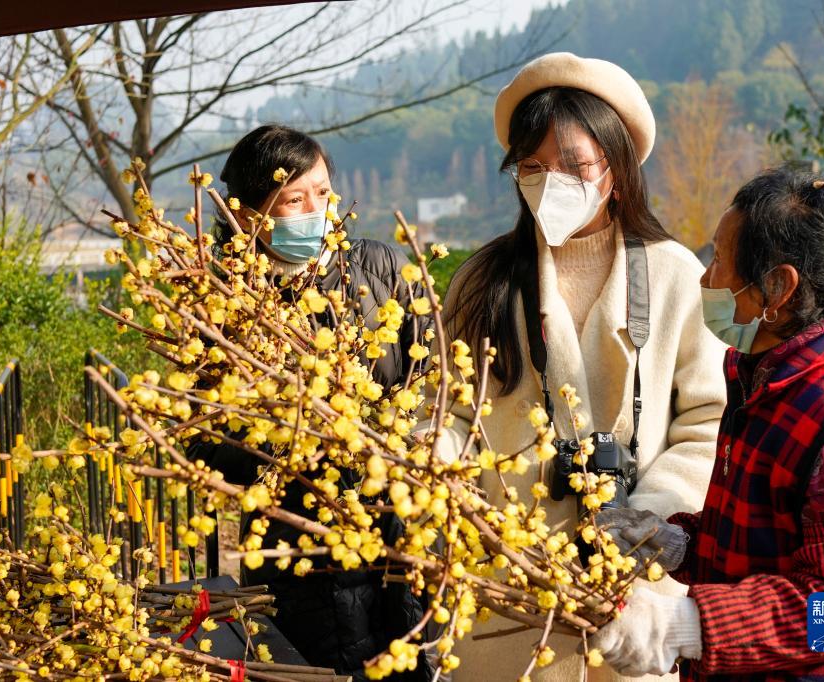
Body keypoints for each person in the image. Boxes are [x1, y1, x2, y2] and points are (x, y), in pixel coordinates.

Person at [436, 53, 728, 681]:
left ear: (617, 169)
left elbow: (708, 421)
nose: (551, 183)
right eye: (533, 167)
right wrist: (433, 465)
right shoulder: (482, 281)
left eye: (574, 166)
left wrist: (649, 516)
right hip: (510, 586)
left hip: (635, 595)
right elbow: (452, 411)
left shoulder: (676, 275)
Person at [593, 166, 824, 681]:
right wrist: (679, 544)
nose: (705, 279)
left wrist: (691, 625)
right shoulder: (764, 380)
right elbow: (765, 544)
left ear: (778, 288)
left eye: (719, 261)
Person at [188, 125, 432, 681]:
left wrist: (400, 443)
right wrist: (296, 447)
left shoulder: (379, 270)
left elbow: (430, 376)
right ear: (248, 213)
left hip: (396, 528)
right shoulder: (224, 304)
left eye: (322, 193)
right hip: (296, 544)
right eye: (294, 200)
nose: (315, 211)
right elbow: (203, 439)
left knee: (412, 660)